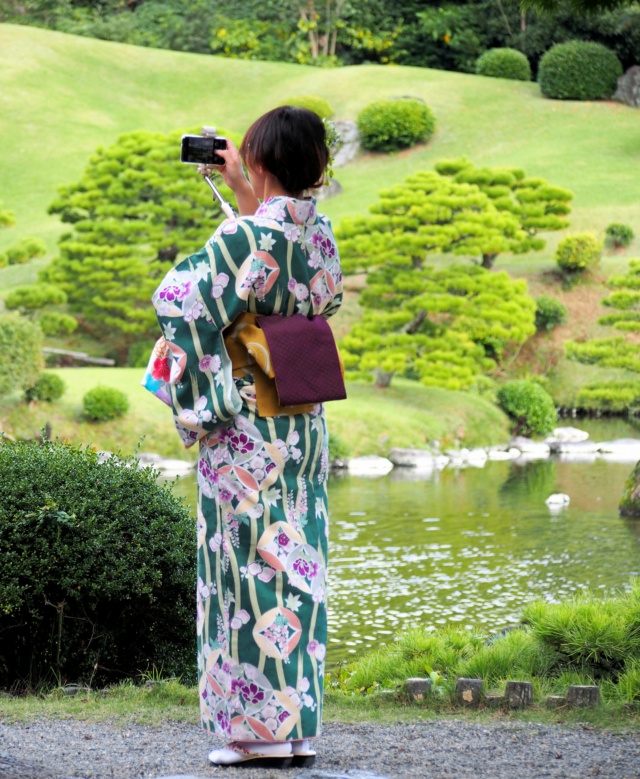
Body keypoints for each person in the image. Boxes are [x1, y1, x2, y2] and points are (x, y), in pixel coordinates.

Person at [145, 106, 343, 768]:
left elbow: (179, 297)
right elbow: (275, 259)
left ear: (258, 163)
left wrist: (207, 401)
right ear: (317, 167)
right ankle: (296, 728)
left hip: (246, 429)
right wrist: (244, 189)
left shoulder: (245, 240)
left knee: (244, 571)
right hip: (302, 419)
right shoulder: (322, 239)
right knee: (297, 565)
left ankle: (252, 733)